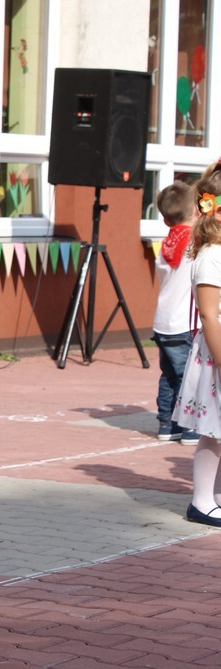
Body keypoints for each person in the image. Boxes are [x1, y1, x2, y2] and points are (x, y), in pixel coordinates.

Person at [176, 166, 221, 527]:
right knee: (213, 433)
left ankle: (216, 497)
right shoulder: (211, 257)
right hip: (215, 357)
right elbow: (209, 316)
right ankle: (201, 501)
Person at [152, 182, 199, 445]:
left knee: (169, 375)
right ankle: (189, 427)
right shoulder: (192, 244)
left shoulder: (167, 243)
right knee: (187, 376)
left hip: (163, 322)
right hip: (183, 323)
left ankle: (167, 424)